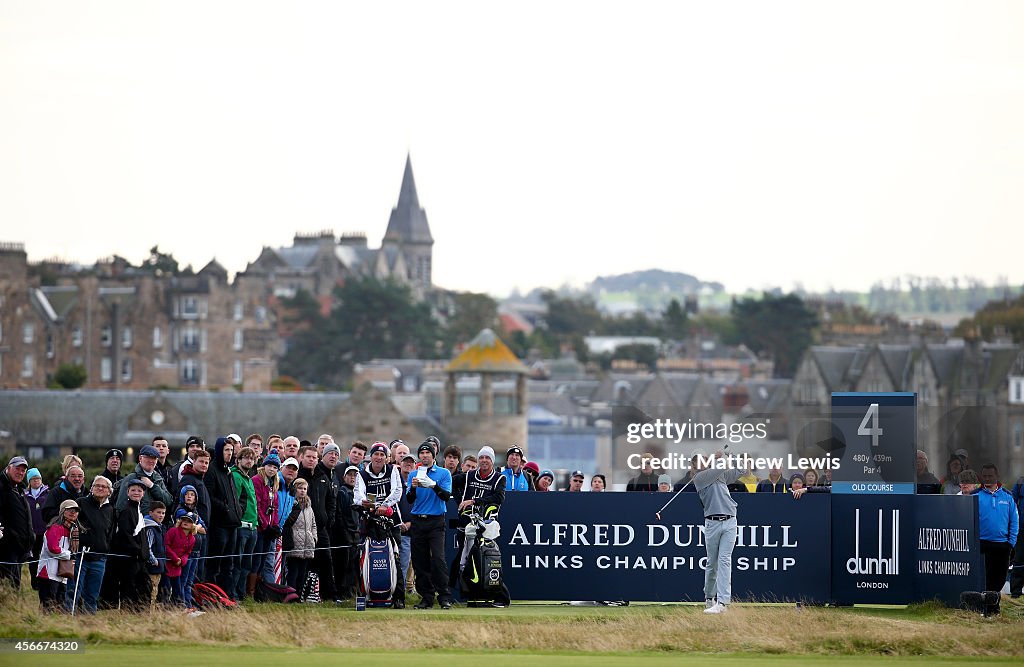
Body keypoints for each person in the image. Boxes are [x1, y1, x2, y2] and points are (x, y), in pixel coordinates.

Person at [692, 450, 750, 614]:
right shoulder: (699, 478)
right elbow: (721, 466)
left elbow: (741, 470)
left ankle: (722, 602)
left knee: (725, 560)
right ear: (694, 467)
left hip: (730, 520)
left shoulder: (721, 476)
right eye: (699, 461)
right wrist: (722, 457)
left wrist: (730, 454)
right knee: (712, 563)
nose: (703, 462)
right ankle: (709, 596)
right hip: (712, 523)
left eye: (704, 459)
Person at [454, 445, 509, 607]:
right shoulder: (468, 475)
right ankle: (473, 596)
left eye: (487, 458)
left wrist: (474, 501)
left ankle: (501, 597)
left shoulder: (500, 478)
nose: (484, 460)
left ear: (492, 461)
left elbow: (499, 498)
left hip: (487, 527)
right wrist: (460, 501)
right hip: (467, 525)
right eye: (482, 457)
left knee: (488, 561)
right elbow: (451, 482)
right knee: (465, 562)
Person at [354, 442, 406, 608]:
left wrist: (384, 506)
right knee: (365, 557)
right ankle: (365, 595)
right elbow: (358, 496)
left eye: (382, 455)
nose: (378, 457)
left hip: (391, 520)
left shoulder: (392, 470)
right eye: (376, 454)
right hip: (369, 522)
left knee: (395, 558)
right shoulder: (362, 474)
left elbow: (397, 491)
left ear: (386, 458)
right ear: (371, 456)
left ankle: (398, 597)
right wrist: (369, 506)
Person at [406, 439, 453, 609]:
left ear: (433, 456)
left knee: (438, 559)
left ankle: (444, 596)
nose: (425, 456)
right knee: (420, 561)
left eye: (428, 453)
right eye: (422, 453)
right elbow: (410, 499)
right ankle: (426, 598)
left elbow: (446, 496)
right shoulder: (414, 474)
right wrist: (412, 488)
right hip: (418, 520)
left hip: (436, 521)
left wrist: (433, 485)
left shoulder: (443, 474)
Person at [297, 444, 339, 603]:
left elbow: (331, 500)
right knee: (305, 562)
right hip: (302, 528)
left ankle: (330, 595)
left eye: (314, 457)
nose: (311, 460)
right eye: (308, 457)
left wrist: (329, 518)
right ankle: (302, 595)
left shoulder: (323, 476)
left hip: (321, 528)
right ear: (301, 457)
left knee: (327, 560)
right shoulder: (298, 476)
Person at [68, 476, 114, 614]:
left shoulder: (110, 509)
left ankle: (89, 623)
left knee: (92, 595)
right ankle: (67, 621)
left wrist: (105, 548)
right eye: (96, 485)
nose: (100, 488)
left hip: (100, 558)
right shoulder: (81, 503)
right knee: (74, 591)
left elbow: (110, 532)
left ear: (109, 491)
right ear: (92, 488)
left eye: (103, 486)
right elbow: (71, 523)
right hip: (81, 556)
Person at [974, 464, 1018, 593]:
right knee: (984, 579)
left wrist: (1011, 543)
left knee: (999, 579)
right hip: (982, 544)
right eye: (985, 476)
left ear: (996, 476)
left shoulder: (1008, 496)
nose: (987, 479)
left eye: (990, 476)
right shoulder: (975, 496)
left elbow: (1014, 521)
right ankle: (984, 608)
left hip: (1002, 545)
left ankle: (994, 607)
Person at [205, 437, 242, 590]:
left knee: (229, 563)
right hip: (219, 524)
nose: (229, 453)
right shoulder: (212, 470)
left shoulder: (229, 471)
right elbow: (210, 496)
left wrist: (237, 510)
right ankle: (212, 595)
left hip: (232, 523)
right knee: (215, 563)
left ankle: (227, 595)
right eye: (226, 450)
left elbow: (234, 496)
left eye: (231, 450)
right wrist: (225, 508)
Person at [112, 479, 152, 610]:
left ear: (143, 494)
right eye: (133, 490)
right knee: (130, 589)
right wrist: (138, 551)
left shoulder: (138, 510)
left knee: (144, 588)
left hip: (139, 559)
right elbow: (125, 535)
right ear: (127, 492)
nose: (136, 492)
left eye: (139, 490)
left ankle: (141, 615)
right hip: (130, 559)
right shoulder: (126, 511)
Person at [36, 499, 79, 612]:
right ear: (62, 511)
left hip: (62, 575)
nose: (73, 512)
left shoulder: (73, 530)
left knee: (59, 607)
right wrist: (69, 555)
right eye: (69, 509)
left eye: (75, 510)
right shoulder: (56, 527)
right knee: (48, 606)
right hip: (48, 573)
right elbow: (52, 548)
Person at [231, 445, 260, 600]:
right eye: (246, 457)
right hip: (242, 526)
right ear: (239, 459)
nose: (249, 461)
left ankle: (241, 595)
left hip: (252, 526)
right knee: (238, 563)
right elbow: (235, 502)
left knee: (246, 565)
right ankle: (234, 595)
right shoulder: (236, 476)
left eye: (252, 458)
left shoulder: (248, 478)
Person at [115, 444, 174, 517]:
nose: (151, 461)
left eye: (154, 458)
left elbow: (168, 501)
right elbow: (120, 506)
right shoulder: (131, 478)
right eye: (148, 457)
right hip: (136, 523)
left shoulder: (158, 478)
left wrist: (152, 486)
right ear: (140, 458)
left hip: (154, 523)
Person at [0, 456, 32, 590]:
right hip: (5, 545)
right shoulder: (1, 486)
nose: (20, 472)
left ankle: (13, 606)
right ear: (8, 468)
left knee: (14, 584)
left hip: (18, 546)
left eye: (23, 471)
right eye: (17, 469)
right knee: (8, 584)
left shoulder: (18, 488)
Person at [284, 478, 318, 597]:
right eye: (300, 488)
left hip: (307, 544)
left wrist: (314, 538)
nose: (302, 491)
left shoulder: (309, 506)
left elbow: (313, 524)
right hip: (294, 542)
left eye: (304, 488)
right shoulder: (291, 503)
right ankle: (291, 595)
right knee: (293, 571)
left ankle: (299, 595)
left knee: (302, 572)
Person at [252, 452, 282, 584]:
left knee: (264, 560)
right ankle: (250, 591)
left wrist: (275, 526)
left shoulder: (274, 484)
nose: (272, 469)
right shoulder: (257, 480)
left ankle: (258, 588)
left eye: (275, 467)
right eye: (269, 465)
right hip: (259, 529)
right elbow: (256, 505)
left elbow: (274, 507)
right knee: (256, 559)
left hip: (268, 530)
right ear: (264, 466)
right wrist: (265, 525)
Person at [334, 464, 361, 600]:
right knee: (344, 566)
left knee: (354, 566)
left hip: (357, 534)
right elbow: (340, 515)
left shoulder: (359, 493)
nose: (352, 477)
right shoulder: (343, 492)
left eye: (355, 475)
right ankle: (343, 593)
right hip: (347, 534)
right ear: (344, 477)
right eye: (349, 475)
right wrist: (345, 533)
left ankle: (353, 592)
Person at [165, 510, 197, 608]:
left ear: (193, 525)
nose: (186, 522)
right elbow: (166, 546)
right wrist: (175, 558)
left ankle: (176, 608)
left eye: (189, 521)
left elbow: (188, 552)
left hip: (177, 568)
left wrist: (182, 560)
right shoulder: (173, 531)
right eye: (184, 519)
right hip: (167, 565)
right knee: (165, 589)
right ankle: (163, 608)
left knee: (177, 591)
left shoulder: (192, 539)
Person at [23, 467, 49, 591]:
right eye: (33, 479)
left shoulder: (47, 493)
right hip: (31, 533)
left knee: (44, 557)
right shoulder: (24, 495)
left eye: (38, 478)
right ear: (29, 481)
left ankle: (45, 581)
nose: (36, 481)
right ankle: (35, 583)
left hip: (45, 532)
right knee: (33, 559)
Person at [143, 501, 167, 606]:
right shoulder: (151, 529)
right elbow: (147, 547)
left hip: (159, 567)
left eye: (163, 513)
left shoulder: (159, 528)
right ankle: (149, 614)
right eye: (158, 512)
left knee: (155, 591)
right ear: (151, 513)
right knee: (151, 591)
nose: (161, 515)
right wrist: (154, 561)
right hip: (152, 567)